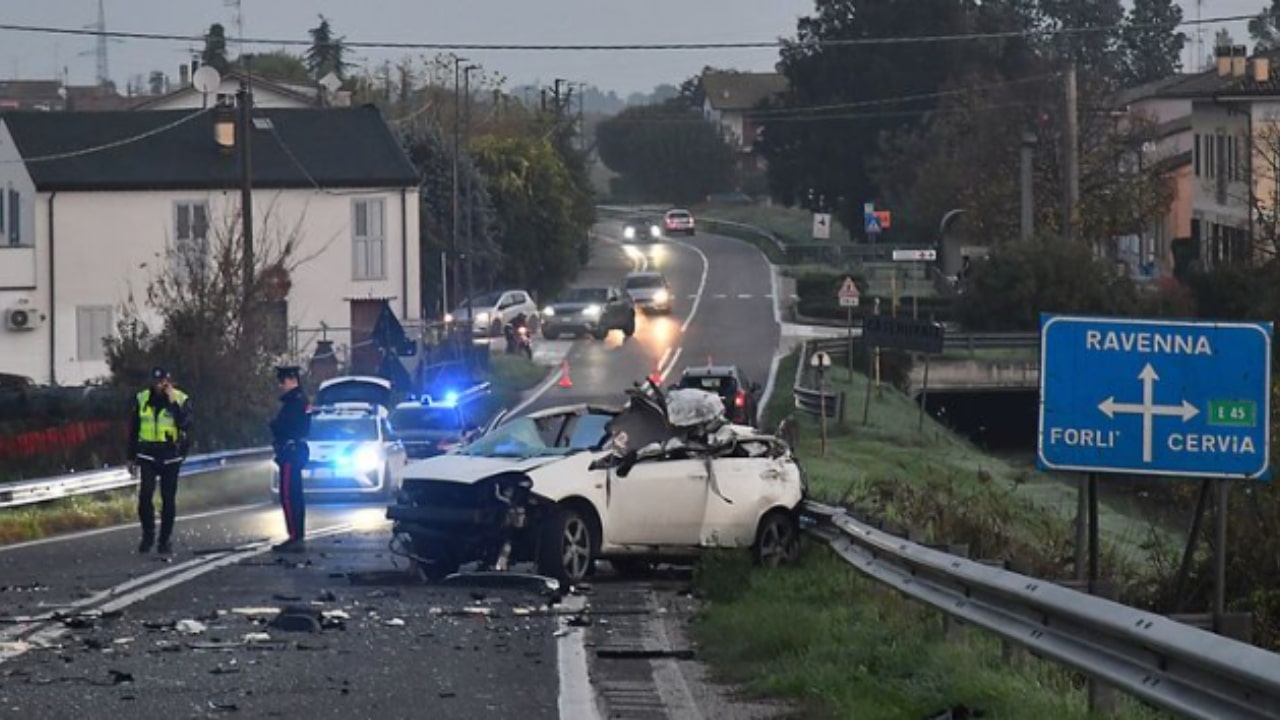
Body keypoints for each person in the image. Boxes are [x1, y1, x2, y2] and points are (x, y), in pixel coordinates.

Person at [128, 366, 192, 554]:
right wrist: (130, 457)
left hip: (171, 455)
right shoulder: (142, 399)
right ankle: (148, 536)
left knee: (168, 499)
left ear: (169, 381)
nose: (159, 385)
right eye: (156, 382)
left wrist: (173, 403)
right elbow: (133, 429)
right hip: (147, 453)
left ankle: (165, 540)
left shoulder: (181, 399)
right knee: (145, 496)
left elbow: (186, 424)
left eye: (163, 381)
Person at [269, 365, 311, 552]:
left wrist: (274, 426)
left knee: (288, 495)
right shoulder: (299, 400)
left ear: (291, 380)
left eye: (282, 381)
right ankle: (296, 535)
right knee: (294, 495)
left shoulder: (295, 402)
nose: (280, 386)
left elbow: (287, 426)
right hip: (295, 451)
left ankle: (294, 536)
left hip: (291, 452)